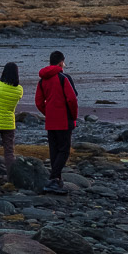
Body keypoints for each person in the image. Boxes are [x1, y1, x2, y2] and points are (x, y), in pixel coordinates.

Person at [35, 50, 79, 195]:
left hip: (51, 120)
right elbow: (72, 99)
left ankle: (57, 180)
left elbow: (39, 102)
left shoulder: (42, 80)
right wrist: (73, 116)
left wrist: (48, 113)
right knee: (64, 150)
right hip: (64, 119)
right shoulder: (63, 78)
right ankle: (53, 178)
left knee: (54, 150)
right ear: (61, 62)